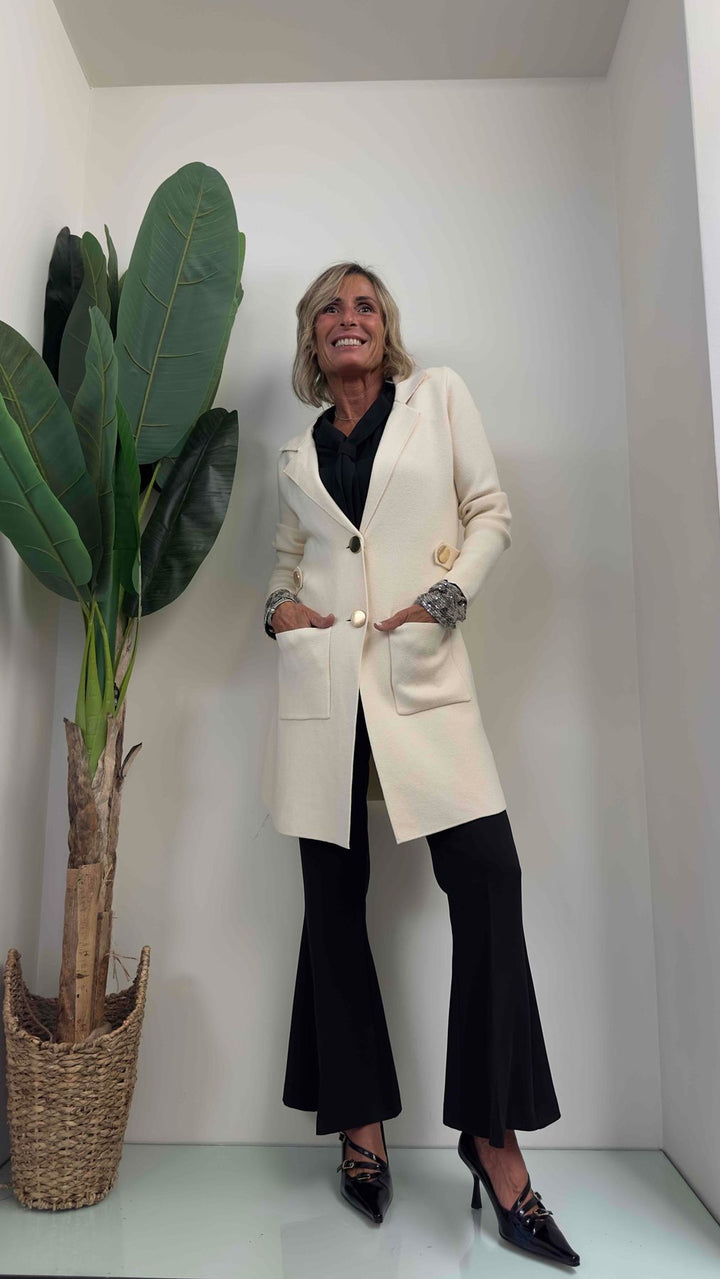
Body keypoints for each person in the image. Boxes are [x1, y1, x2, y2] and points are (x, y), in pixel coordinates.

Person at [260, 262, 580, 1265]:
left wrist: (443, 602)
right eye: (330, 308)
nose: (347, 317)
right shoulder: (296, 452)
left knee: (489, 881)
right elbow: (285, 564)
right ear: (313, 339)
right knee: (332, 904)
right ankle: (359, 1123)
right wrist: (279, 610)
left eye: (364, 305)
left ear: (385, 328)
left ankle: (493, 1138)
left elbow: (491, 512)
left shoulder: (437, 399)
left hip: (422, 680)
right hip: (325, 694)